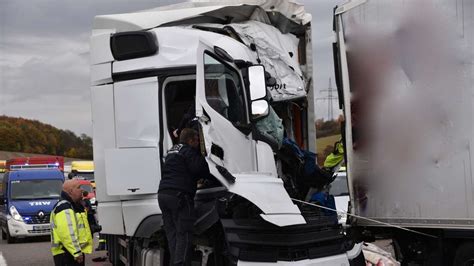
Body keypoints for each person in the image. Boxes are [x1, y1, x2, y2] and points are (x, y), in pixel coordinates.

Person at [158, 128, 212, 266]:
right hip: (179, 197)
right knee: (185, 233)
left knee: (173, 236)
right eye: (197, 140)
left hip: (163, 195)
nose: (198, 143)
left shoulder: (172, 151)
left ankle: (175, 263)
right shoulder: (188, 151)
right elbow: (200, 169)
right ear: (190, 140)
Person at [50, 179, 93, 266]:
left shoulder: (70, 205)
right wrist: (76, 252)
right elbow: (68, 233)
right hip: (67, 254)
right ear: (71, 191)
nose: (82, 190)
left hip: (68, 253)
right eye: (78, 187)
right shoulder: (64, 207)